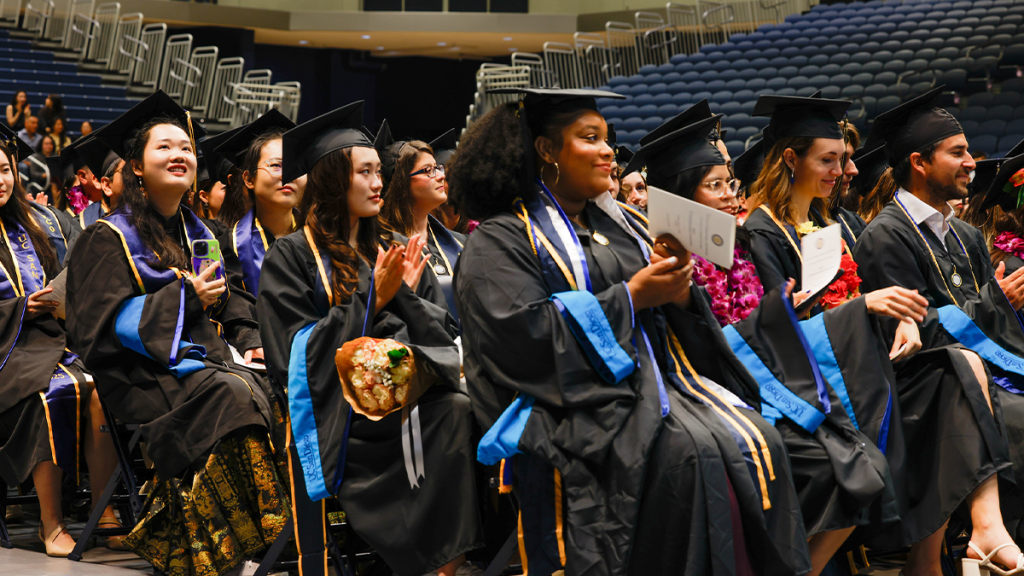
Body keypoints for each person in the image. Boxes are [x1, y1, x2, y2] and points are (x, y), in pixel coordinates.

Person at [450, 87, 811, 575]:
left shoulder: (625, 226)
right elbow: (519, 335)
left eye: (607, 138)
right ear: (546, 151)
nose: (607, 151)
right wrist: (632, 297)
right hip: (564, 405)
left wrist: (679, 289)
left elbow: (673, 321)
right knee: (692, 456)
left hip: (652, 389)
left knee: (757, 439)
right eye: (589, 138)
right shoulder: (500, 239)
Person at [628, 102, 915, 576]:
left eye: (729, 184)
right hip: (715, 398)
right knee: (841, 465)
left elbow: (758, 324)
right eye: (714, 185)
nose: (727, 196)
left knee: (865, 466)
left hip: (768, 383)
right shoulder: (667, 262)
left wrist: (784, 309)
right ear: (680, 198)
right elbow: (697, 347)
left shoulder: (739, 248)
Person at [65, 91, 290, 576]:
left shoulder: (198, 232)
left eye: (186, 147)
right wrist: (184, 297)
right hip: (139, 374)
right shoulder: (107, 237)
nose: (179, 155)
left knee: (274, 382)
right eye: (164, 147)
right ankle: (219, 549)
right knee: (230, 395)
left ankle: (257, 540)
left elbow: (230, 299)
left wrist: (249, 338)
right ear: (137, 167)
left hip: (204, 365)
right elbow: (95, 328)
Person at [257, 100, 485, 576]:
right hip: (344, 421)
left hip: (410, 390)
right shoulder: (291, 257)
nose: (378, 183)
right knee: (457, 409)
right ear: (331, 180)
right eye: (364, 173)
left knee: (485, 398)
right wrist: (373, 301)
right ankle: (444, 564)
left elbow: (438, 331)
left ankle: (473, 554)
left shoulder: (392, 247)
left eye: (379, 172)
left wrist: (403, 297)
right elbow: (295, 354)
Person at [853, 85, 1024, 575]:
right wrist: (999, 299)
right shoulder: (886, 235)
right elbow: (909, 335)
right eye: (958, 152)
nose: (971, 161)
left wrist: (1001, 306)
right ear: (920, 163)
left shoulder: (966, 234)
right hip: (922, 388)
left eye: (968, 151)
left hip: (980, 374)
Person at [0, 125, 124, 556]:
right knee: (53, 392)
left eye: (4, 170)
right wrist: (18, 310)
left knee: (98, 388)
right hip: (6, 353)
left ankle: (103, 510)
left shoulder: (35, 224)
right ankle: (50, 524)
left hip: (51, 340)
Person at [213, 108, 300, 302]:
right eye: (276, 165)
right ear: (249, 179)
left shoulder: (323, 237)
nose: (287, 175)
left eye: (296, 166)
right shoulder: (226, 246)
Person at [380, 139, 465, 280]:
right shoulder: (382, 246)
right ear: (402, 183)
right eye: (428, 170)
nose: (441, 176)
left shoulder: (461, 244)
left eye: (437, 168)